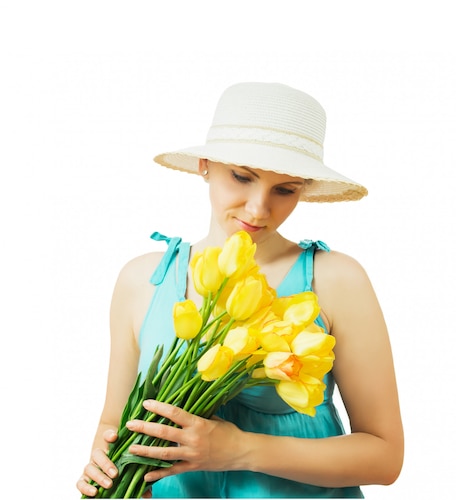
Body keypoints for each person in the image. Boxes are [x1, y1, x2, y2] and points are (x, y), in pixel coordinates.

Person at [77, 82, 404, 498]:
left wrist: (241, 450)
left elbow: (385, 456)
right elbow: (115, 425)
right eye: (242, 177)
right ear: (204, 165)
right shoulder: (142, 280)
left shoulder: (336, 279)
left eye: (285, 190)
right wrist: (107, 474)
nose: (258, 209)